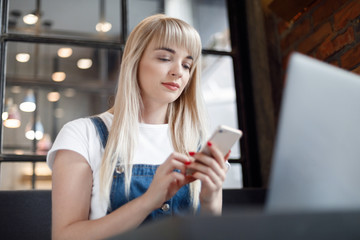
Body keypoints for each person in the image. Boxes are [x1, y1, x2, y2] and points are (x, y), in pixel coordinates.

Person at [47, 14, 230, 240]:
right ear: (135, 60)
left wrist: (211, 199)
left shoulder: (197, 142)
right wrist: (148, 201)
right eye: (164, 58)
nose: (178, 72)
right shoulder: (82, 135)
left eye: (187, 65)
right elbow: (64, 237)